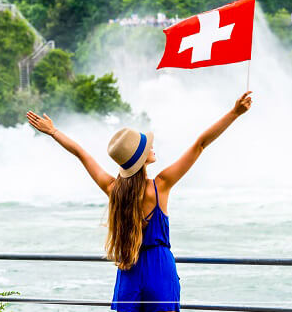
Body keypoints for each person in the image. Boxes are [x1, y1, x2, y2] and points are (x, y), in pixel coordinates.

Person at [26, 91, 253, 312]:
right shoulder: (161, 185)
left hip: (129, 268)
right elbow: (200, 144)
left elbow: (81, 154)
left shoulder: (114, 189)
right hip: (159, 269)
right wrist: (235, 113)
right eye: (147, 147)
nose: (152, 147)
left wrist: (54, 132)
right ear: (141, 159)